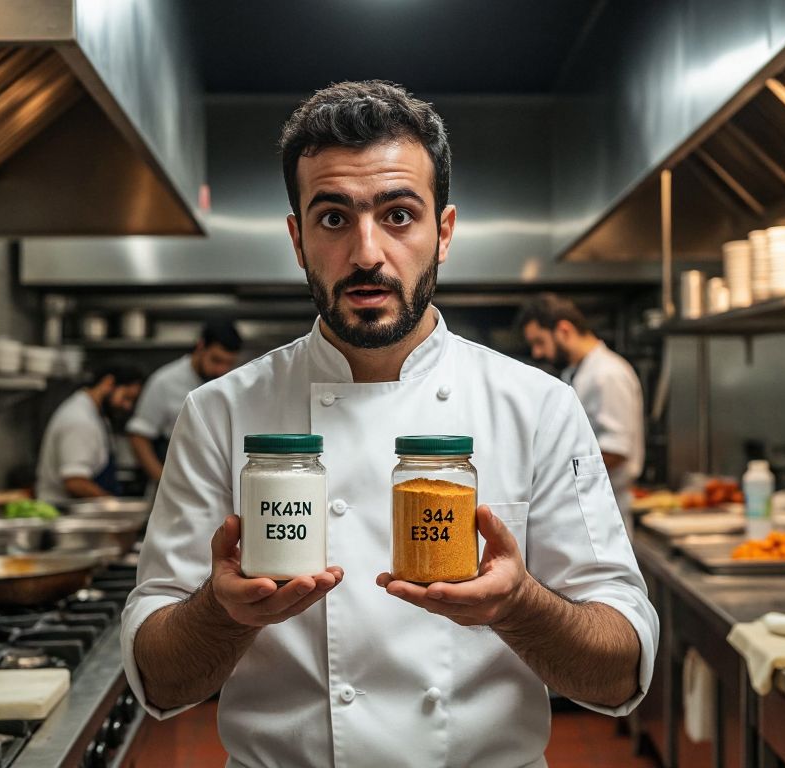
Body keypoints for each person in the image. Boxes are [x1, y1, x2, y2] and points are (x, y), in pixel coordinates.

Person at [121, 80, 656, 767]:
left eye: (399, 215)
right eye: (334, 218)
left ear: (445, 232)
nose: (367, 252)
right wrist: (222, 613)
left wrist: (518, 604)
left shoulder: (537, 408)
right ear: (297, 238)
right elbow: (159, 681)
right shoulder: (220, 413)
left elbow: (621, 671)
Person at [518, 294, 645, 523]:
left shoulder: (608, 374)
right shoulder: (576, 373)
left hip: (604, 511)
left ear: (564, 330)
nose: (537, 353)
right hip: (585, 506)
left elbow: (616, 451)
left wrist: (550, 476)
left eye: (540, 342)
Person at [127, 321, 243, 486]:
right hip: (177, 478)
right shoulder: (165, 382)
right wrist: (164, 483)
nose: (221, 370)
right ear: (201, 346)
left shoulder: (233, 383)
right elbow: (139, 437)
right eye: (216, 360)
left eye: (228, 363)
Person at [34, 365, 144, 503]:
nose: (127, 406)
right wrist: (113, 505)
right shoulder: (79, 420)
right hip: (66, 513)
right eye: (126, 397)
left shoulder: (97, 414)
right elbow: (75, 482)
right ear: (108, 383)